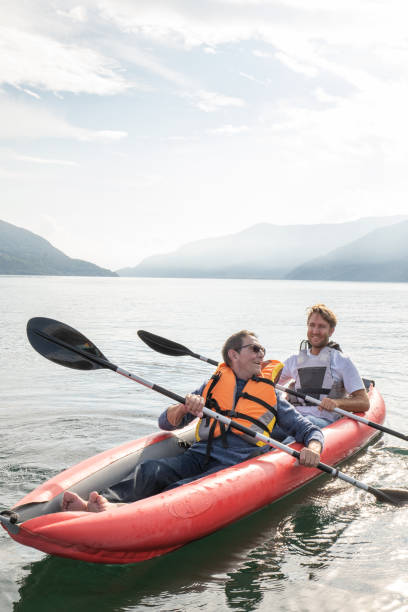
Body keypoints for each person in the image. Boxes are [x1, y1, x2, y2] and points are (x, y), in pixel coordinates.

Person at [62, 330, 324, 513]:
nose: (261, 354)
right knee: (151, 470)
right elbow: (165, 423)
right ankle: (101, 502)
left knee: (182, 489)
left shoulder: (271, 396)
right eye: (255, 349)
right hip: (199, 455)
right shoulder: (212, 385)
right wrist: (184, 407)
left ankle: (114, 512)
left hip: (235, 463)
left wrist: (313, 448)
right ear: (234, 355)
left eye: (263, 350)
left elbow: (308, 429)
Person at [276, 304, 369, 433]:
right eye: (312, 325)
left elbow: (364, 402)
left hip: (321, 422)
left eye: (321, 326)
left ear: (331, 331)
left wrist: (337, 403)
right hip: (293, 418)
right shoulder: (294, 359)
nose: (315, 331)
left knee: (306, 424)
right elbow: (270, 385)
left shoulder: (342, 361)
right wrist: (285, 393)